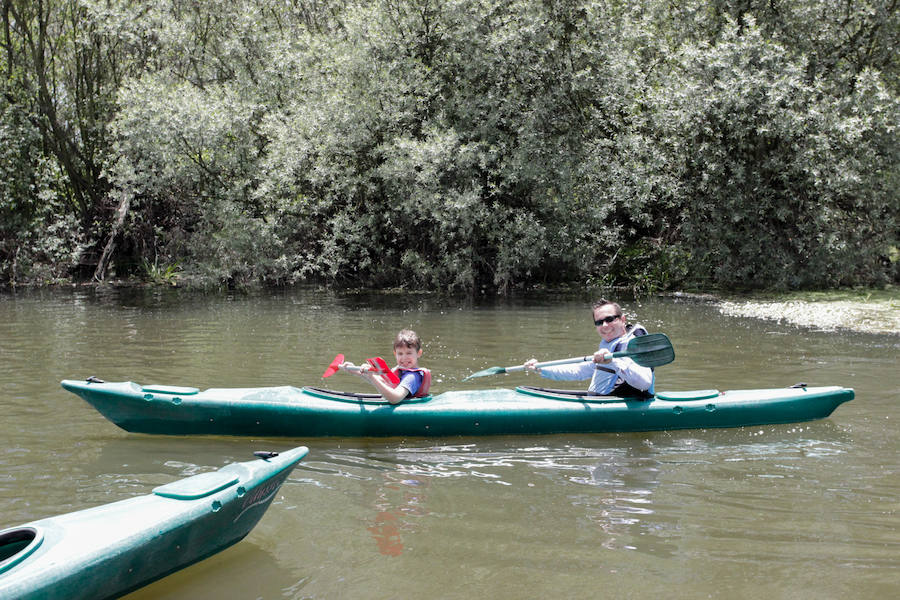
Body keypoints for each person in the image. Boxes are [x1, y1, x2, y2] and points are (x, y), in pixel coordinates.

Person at [524, 299, 653, 398]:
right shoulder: (609, 344)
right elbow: (578, 371)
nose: (604, 325)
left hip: (624, 403)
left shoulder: (635, 344)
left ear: (622, 319)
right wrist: (541, 368)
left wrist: (612, 361)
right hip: (600, 400)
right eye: (599, 322)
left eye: (609, 319)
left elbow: (644, 383)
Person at [343, 329, 432, 404]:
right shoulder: (400, 370)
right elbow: (382, 381)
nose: (404, 358)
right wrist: (357, 371)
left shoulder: (412, 377)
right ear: (395, 354)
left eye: (409, 353)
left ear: (419, 353)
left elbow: (395, 398)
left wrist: (372, 377)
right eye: (400, 353)